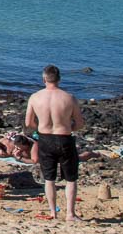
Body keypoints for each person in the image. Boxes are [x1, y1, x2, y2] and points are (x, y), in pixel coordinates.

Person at [25, 64, 85, 222]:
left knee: (49, 179)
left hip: (45, 139)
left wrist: (41, 127)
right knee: (71, 178)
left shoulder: (35, 97)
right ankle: (70, 214)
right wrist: (68, 127)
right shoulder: (69, 98)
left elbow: (28, 122)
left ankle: (53, 212)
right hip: (64, 138)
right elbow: (79, 124)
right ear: (59, 79)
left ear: (44, 78)